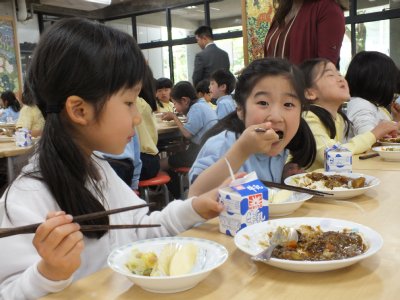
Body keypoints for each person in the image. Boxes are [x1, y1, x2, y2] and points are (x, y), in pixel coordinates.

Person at [0, 18, 224, 299]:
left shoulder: (97, 169)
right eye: (129, 102)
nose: (135, 116)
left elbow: (143, 229)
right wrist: (48, 274)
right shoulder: (24, 199)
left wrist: (195, 209)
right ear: (79, 110)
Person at [189, 58, 316, 196]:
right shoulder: (223, 144)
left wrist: (284, 177)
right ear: (241, 109)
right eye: (263, 102)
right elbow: (195, 197)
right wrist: (242, 150)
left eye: (288, 104)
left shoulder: (283, 150)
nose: (276, 116)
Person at [300, 58, 399, 171]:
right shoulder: (308, 117)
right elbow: (332, 155)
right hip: (305, 186)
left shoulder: (339, 118)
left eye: (339, 74)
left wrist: (379, 134)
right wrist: (373, 134)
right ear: (310, 93)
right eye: (330, 75)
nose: (340, 79)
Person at [264, 0, 347, 66]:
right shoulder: (282, 12)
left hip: (302, 86)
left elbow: (324, 68)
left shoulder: (328, 9)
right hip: (272, 85)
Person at [161, 81, 218, 171]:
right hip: (209, 150)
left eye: (175, 103)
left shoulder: (196, 108)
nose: (174, 108)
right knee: (176, 152)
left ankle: (169, 184)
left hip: (202, 152)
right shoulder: (201, 104)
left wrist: (174, 117)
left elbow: (187, 134)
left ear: (184, 100)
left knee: (163, 162)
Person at [345, 51, 400, 135]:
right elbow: (367, 135)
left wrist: (396, 119)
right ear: (379, 82)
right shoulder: (360, 105)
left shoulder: (373, 106)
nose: (393, 88)